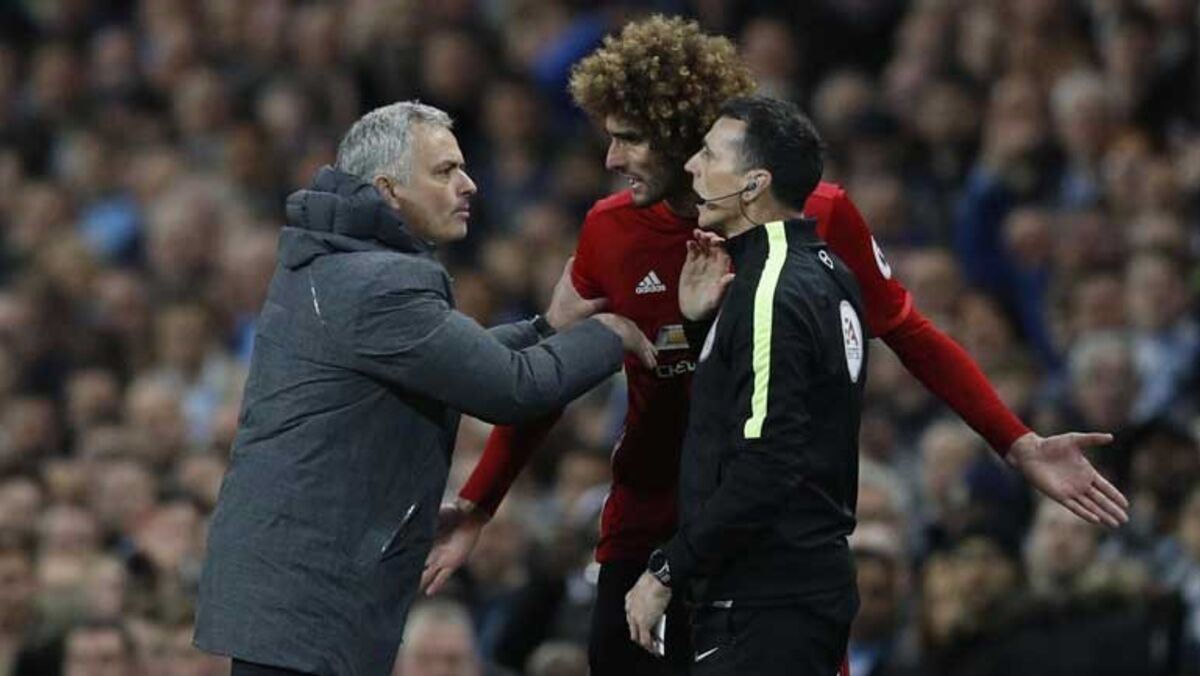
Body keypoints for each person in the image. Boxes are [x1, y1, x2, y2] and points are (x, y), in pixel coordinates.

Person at [423, 16, 1129, 675]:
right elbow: (550, 376)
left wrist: (1016, 442)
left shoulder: (814, 218)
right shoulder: (609, 230)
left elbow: (909, 333)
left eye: (629, 138)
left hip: (767, 546)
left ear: (686, 140)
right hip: (647, 523)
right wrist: (480, 505)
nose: (610, 159)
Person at [193, 101, 656, 676]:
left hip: (289, 592)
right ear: (388, 191)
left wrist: (547, 328)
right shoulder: (379, 282)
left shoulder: (339, 261)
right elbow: (512, 389)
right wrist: (609, 333)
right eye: (444, 171)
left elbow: (452, 359)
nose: (469, 184)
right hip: (310, 602)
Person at [624, 95, 868, 675]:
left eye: (710, 154)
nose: (691, 166)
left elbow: (767, 463)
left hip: (764, 602)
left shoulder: (770, 291)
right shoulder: (826, 269)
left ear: (754, 183)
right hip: (799, 591)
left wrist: (667, 570)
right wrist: (700, 326)